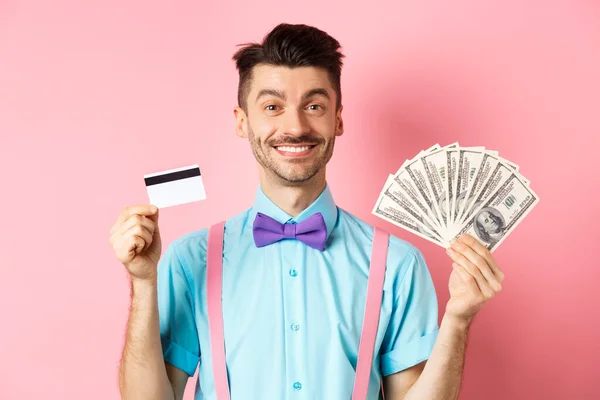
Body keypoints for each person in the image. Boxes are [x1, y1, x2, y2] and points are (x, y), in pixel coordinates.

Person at [109, 23, 505, 400]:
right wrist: (144, 284)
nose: (295, 126)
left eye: (314, 105)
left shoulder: (398, 265)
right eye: (272, 106)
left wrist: (458, 320)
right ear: (242, 122)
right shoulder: (190, 259)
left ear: (338, 119)